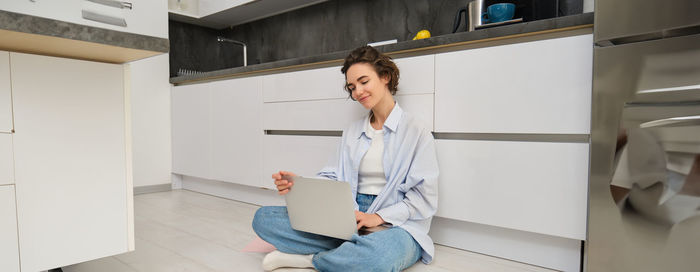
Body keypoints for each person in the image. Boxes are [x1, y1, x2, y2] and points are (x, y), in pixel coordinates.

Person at [251, 45, 439, 271]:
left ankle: (312, 259)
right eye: (352, 87)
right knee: (263, 218)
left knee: (379, 257)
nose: (357, 91)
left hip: (397, 226)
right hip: (348, 215)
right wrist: (300, 183)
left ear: (385, 77)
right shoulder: (352, 131)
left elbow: (422, 198)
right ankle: (351, 248)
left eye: (363, 81)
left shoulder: (415, 131)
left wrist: (378, 217)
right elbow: (333, 176)